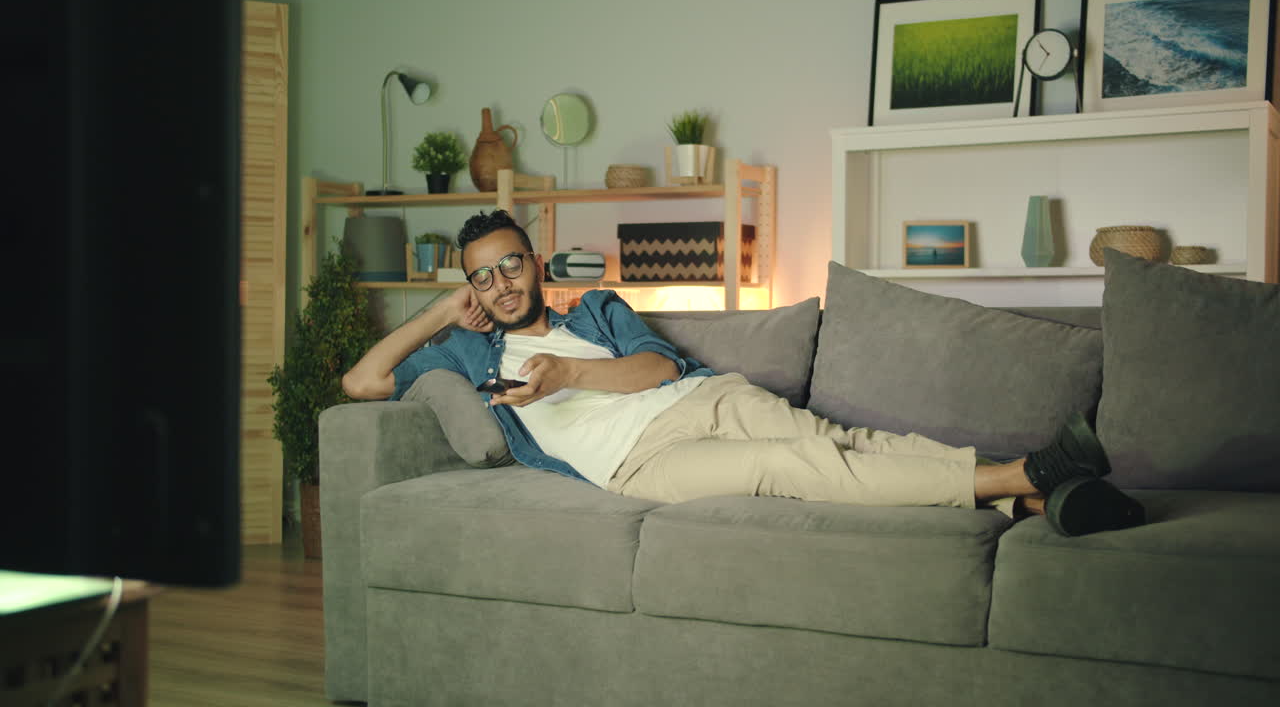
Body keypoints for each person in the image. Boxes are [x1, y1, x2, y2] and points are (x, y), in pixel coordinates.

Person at [343, 211, 1145, 536]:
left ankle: (1027, 497)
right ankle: (1018, 471)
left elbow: (657, 367)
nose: (501, 284)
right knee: (784, 466)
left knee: (840, 440)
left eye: (510, 264)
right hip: (643, 462)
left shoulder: (592, 310)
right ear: (471, 287)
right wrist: (443, 313)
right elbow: (363, 383)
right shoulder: (468, 349)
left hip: (701, 396)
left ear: (536, 262)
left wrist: (569, 376)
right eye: (482, 277)